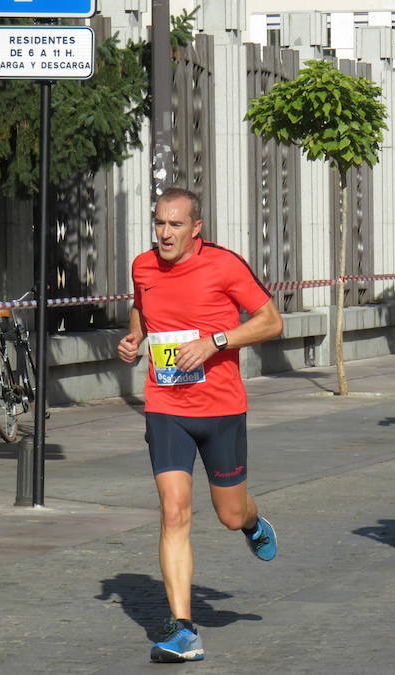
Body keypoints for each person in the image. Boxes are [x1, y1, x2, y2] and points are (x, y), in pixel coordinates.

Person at [117, 187, 283, 662]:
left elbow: (271, 322)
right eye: (158, 224)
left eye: (174, 225)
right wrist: (134, 337)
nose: (164, 234)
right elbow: (142, 310)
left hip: (221, 407)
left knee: (229, 514)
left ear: (196, 228)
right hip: (166, 404)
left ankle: (252, 521)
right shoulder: (143, 265)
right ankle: (183, 628)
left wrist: (217, 341)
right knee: (174, 511)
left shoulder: (225, 265)